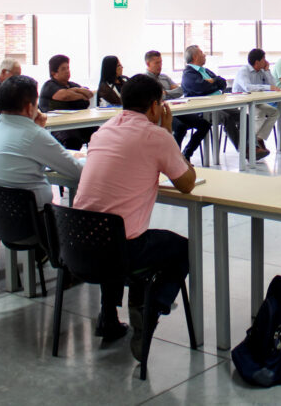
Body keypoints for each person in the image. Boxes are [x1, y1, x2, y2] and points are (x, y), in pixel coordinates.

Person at [73, 75, 196, 355]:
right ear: (155, 106)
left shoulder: (102, 131)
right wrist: (168, 133)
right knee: (184, 249)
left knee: (107, 227)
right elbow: (187, 183)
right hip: (121, 251)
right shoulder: (155, 136)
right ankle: (149, 309)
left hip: (78, 244)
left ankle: (109, 317)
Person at [0, 74, 84, 209]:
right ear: (29, 107)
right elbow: (77, 172)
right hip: (38, 221)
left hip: (1, 218)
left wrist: (36, 128)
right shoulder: (33, 135)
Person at [145, 50, 210, 161]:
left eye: (161, 62)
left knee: (204, 124)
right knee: (180, 127)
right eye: (156, 63)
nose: (160, 66)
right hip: (159, 113)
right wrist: (167, 93)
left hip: (175, 109)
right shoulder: (145, 80)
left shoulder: (164, 77)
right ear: (148, 64)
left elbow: (180, 90)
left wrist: (166, 93)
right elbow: (156, 97)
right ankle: (174, 159)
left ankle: (186, 154)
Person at [181, 45, 240, 151]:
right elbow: (201, 88)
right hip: (204, 109)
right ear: (195, 57)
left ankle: (254, 147)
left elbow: (223, 83)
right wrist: (214, 82)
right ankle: (245, 149)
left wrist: (214, 81)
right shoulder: (188, 74)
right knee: (227, 117)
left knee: (243, 116)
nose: (204, 55)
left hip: (219, 104)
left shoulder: (205, 71)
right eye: (201, 53)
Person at [38, 54, 95, 150]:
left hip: (77, 123)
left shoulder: (72, 85)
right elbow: (64, 96)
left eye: (68, 68)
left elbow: (89, 94)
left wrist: (75, 90)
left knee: (100, 133)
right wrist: (79, 93)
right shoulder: (49, 86)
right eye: (63, 69)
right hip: (56, 126)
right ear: (54, 73)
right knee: (72, 140)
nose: (67, 71)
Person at [232, 48, 279, 160]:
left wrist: (267, 71)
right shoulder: (244, 70)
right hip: (241, 102)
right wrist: (268, 87)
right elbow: (247, 87)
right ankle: (253, 146)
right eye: (264, 59)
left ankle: (258, 138)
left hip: (255, 102)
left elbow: (273, 85)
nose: (265, 61)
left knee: (274, 112)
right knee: (259, 113)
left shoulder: (262, 71)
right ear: (257, 62)